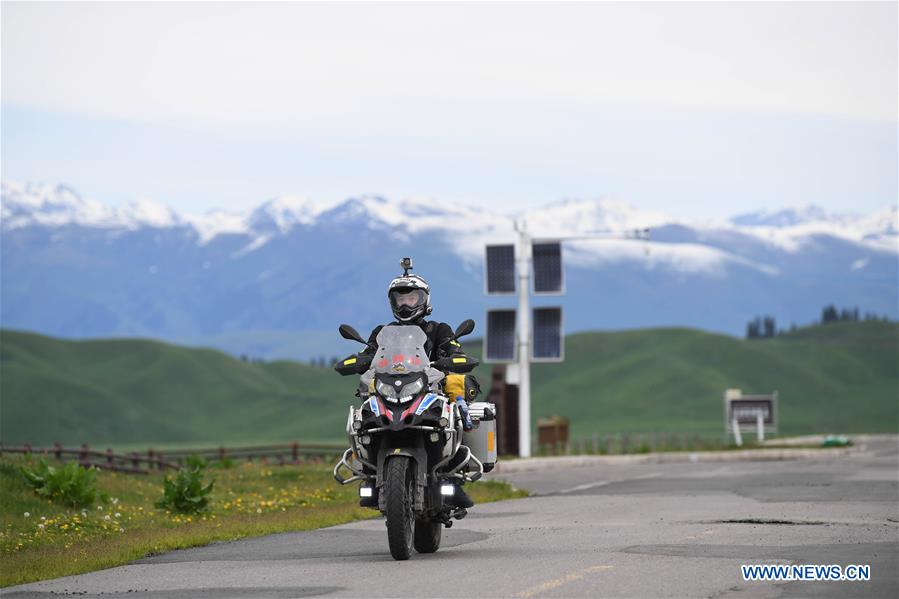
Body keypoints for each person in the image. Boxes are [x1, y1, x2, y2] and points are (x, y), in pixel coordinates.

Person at [358, 259, 476, 509]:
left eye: (411, 298)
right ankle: (368, 472)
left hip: (428, 389)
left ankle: (452, 476)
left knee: (453, 401)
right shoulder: (383, 331)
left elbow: (453, 349)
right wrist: (358, 360)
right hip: (392, 387)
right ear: (392, 302)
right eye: (400, 299)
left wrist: (452, 358)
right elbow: (370, 354)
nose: (405, 304)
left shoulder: (438, 329)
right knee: (364, 413)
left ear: (423, 300)